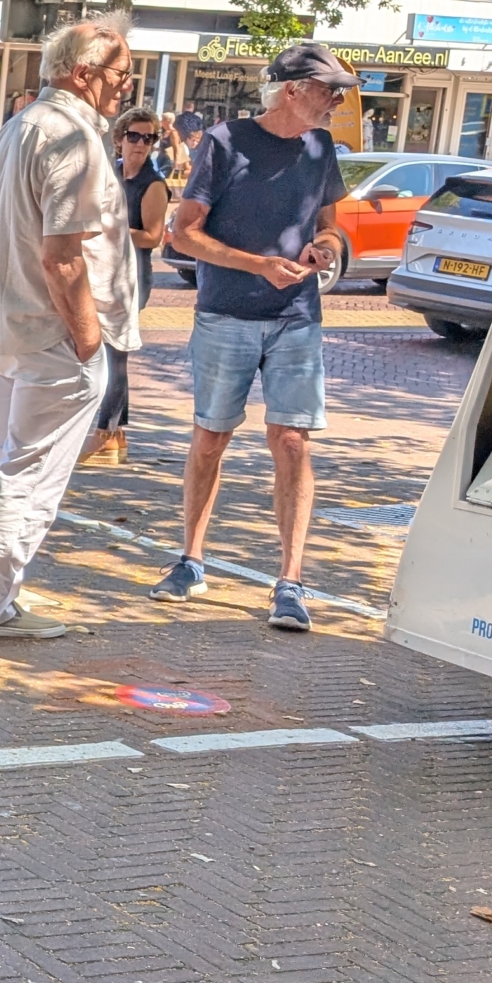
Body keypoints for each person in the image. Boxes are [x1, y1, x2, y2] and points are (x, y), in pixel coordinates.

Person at [0, 19, 141, 638]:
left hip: (14, 326)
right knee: (30, 473)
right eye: (120, 75)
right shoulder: (71, 137)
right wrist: (87, 337)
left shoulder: (24, 124)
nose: (126, 89)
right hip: (52, 333)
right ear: (84, 74)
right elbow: (62, 254)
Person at [155, 42, 358, 631]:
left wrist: (327, 249)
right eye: (329, 89)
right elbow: (183, 236)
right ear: (293, 89)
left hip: (298, 316)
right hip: (227, 313)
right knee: (212, 436)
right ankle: (191, 560)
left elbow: (330, 226)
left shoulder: (321, 148)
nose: (337, 100)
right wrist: (259, 265)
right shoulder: (225, 141)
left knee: (292, 441)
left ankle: (291, 582)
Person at [81, 105, 181, 465]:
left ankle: (104, 430)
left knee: (114, 353)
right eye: (134, 136)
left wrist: (110, 228)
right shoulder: (113, 172)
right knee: (108, 350)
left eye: (149, 138)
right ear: (120, 138)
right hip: (104, 271)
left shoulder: (152, 185)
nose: (141, 144)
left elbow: (152, 237)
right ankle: (117, 436)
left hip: (132, 276)